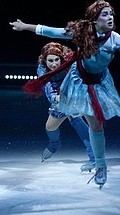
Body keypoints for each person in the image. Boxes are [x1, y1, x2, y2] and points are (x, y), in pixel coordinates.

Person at [9, 0, 120, 188]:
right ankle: (73, 149)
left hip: (98, 83)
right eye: (105, 14)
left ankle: (100, 165)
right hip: (78, 81)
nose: (110, 17)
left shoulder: (117, 39)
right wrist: (26, 26)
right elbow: (52, 31)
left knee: (96, 125)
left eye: (111, 14)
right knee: (69, 122)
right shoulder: (83, 31)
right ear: (95, 18)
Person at [37, 42, 95, 172]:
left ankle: (94, 158)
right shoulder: (42, 69)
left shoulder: (69, 62)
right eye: (50, 61)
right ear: (44, 60)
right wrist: (54, 97)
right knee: (50, 127)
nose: (54, 64)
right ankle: (54, 144)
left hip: (73, 91)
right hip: (57, 95)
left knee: (75, 117)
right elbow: (46, 86)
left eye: (56, 60)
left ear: (61, 58)